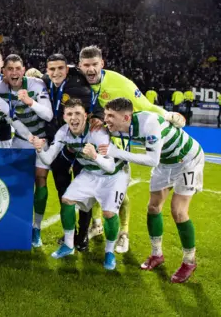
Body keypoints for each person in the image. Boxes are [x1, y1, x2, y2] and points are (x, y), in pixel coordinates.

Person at [78, 45, 185, 253]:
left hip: (117, 141)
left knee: (118, 190)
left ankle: (124, 233)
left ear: (102, 64)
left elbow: (145, 106)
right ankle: (97, 224)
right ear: (80, 66)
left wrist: (168, 114)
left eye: (94, 65)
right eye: (86, 65)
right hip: (91, 140)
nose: (90, 69)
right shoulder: (77, 78)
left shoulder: (120, 83)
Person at [100, 97, 204, 283]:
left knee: (178, 211)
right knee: (153, 208)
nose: (106, 119)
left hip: (188, 161)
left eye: (111, 116)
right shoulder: (121, 126)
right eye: (105, 114)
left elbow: (151, 160)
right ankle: (157, 254)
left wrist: (116, 153)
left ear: (126, 117)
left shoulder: (150, 124)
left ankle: (189, 261)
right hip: (165, 164)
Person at [30, 99, 129, 271]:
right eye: (69, 114)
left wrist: (95, 155)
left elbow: (110, 165)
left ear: (86, 115)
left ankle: (109, 253)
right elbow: (48, 159)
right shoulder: (63, 132)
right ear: (64, 117)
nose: (73, 118)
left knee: (108, 213)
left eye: (77, 113)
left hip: (114, 174)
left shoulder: (97, 133)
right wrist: (39, 149)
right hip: (91, 172)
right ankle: (68, 245)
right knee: (67, 200)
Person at [37, 54, 104, 250]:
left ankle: (82, 236)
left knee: (83, 194)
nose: (56, 72)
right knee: (63, 191)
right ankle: (71, 234)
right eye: (52, 69)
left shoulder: (78, 85)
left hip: (80, 147)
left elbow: (95, 105)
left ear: (67, 69)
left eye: (60, 68)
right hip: (58, 146)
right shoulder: (46, 82)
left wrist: (98, 116)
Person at [0, 54, 53, 246]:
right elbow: (11, 119)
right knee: (15, 182)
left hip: (42, 140)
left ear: (23, 69)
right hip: (21, 139)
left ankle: (36, 227)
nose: (14, 72)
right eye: (9, 69)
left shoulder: (36, 85)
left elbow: (49, 115)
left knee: (41, 180)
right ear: (4, 72)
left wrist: (31, 102)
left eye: (17, 68)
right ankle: (16, 223)